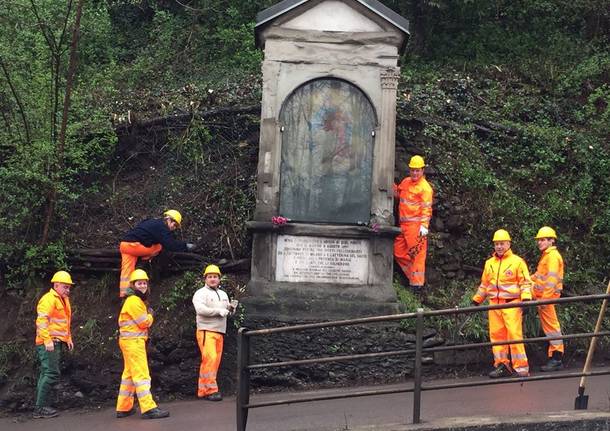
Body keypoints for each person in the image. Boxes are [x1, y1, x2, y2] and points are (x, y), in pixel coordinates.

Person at [471, 229, 533, 378]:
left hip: (511, 304)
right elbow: (485, 285)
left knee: (514, 335)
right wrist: (476, 300)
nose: (499, 246)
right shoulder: (489, 264)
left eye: (502, 243)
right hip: (494, 305)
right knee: (497, 336)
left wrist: (525, 299)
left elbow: (525, 282)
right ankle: (501, 364)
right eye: (496, 244)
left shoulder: (517, 262)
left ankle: (521, 368)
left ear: (508, 244)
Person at [115, 269, 169, 419]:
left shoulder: (132, 300)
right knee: (141, 374)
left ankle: (123, 407)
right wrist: (151, 315)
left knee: (129, 375)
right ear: (133, 285)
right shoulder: (134, 301)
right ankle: (148, 408)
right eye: (140, 283)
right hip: (134, 343)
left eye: (144, 283)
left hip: (129, 342)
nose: (143, 286)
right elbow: (144, 322)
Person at [119, 209, 195, 297]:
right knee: (159, 246)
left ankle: (125, 294)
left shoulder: (152, 222)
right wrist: (185, 246)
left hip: (124, 245)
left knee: (127, 269)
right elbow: (170, 244)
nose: (174, 228)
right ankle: (145, 258)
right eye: (175, 225)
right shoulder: (162, 227)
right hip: (135, 246)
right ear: (169, 219)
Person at [33, 270, 74, 419]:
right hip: (49, 343)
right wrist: (47, 340)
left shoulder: (63, 299)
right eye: (65, 287)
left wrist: (68, 339)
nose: (68, 290)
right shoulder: (49, 299)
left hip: (56, 341)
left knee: (46, 373)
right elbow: (42, 321)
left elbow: (65, 323)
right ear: (56, 285)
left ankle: (41, 405)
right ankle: (40, 407)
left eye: (69, 287)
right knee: (51, 373)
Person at [192, 264, 236, 401]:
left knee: (214, 361)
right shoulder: (200, 293)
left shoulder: (223, 294)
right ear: (205, 278)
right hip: (206, 330)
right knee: (209, 359)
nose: (212, 279)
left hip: (219, 331)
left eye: (215, 277)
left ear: (219, 279)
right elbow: (200, 310)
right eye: (210, 277)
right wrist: (219, 311)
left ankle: (203, 390)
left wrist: (231, 309)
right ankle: (210, 390)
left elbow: (226, 312)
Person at [393, 155, 433, 291]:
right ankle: (412, 276)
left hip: (416, 228)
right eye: (413, 170)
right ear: (409, 170)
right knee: (398, 251)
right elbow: (398, 195)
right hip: (403, 226)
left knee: (417, 256)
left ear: (422, 171)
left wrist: (424, 227)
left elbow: (427, 209)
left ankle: (416, 285)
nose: (415, 173)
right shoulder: (405, 182)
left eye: (418, 170)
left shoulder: (425, 188)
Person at [531, 226, 565, 372]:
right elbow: (538, 276)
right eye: (539, 240)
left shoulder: (552, 256)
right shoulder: (547, 256)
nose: (540, 242)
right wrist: (525, 280)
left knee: (552, 327)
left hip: (546, 298)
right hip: (543, 298)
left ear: (552, 241)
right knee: (550, 327)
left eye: (543, 240)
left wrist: (545, 299)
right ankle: (555, 357)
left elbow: (551, 280)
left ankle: (557, 358)